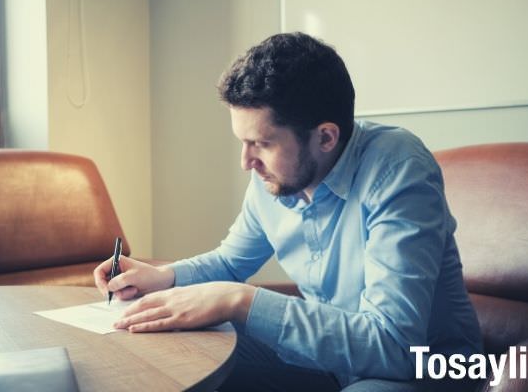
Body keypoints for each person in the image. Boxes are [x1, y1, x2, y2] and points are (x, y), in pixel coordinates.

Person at [94, 32, 482, 392]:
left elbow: (392, 344)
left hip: (419, 370)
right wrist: (162, 277)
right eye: (243, 142)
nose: (246, 162)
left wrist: (241, 301)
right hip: (325, 361)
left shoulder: (397, 168)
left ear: (325, 137)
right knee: (174, 350)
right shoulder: (276, 176)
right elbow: (231, 263)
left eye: (261, 143)